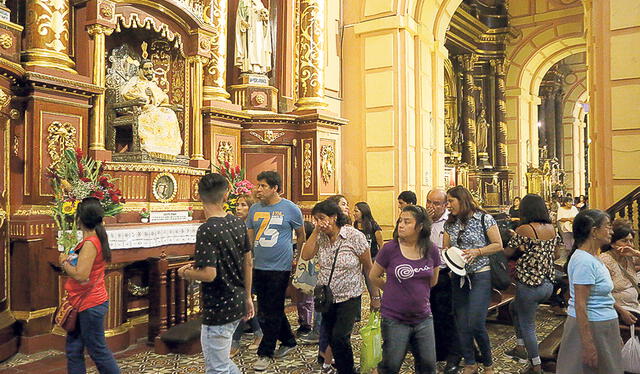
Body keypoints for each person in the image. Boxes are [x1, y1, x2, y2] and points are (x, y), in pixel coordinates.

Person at [176, 173, 254, 374]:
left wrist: (186, 272)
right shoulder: (237, 223)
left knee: (217, 367)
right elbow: (248, 263)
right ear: (226, 194)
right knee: (222, 364)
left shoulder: (207, 229)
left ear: (198, 195)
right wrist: (248, 296)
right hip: (236, 301)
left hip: (219, 306)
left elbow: (209, 274)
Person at [302, 200, 380, 374]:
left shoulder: (354, 236)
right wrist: (316, 230)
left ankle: (347, 370)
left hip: (349, 296)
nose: (319, 222)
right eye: (316, 219)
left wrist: (375, 297)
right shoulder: (320, 236)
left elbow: (368, 268)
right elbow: (306, 255)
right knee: (330, 336)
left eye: (322, 218)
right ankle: (337, 366)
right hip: (327, 297)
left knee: (340, 337)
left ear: (334, 217)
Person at [369, 205, 440, 374]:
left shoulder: (431, 249)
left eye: (407, 222)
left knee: (429, 365)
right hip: (395, 318)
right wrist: (393, 289)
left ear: (420, 226)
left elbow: (433, 281)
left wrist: (414, 291)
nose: (401, 225)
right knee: (391, 365)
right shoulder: (390, 249)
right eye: (400, 220)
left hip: (423, 317)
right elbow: (373, 276)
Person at [246, 171, 305, 371]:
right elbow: (250, 239)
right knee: (269, 309)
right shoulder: (254, 209)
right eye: (258, 185)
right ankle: (288, 340)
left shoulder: (291, 209)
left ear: (275, 188)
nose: (258, 189)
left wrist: (298, 258)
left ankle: (265, 351)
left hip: (280, 266)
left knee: (269, 311)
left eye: (263, 186)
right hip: (259, 266)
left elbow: (301, 235)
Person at [443, 185, 504, 374]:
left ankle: (488, 364)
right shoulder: (450, 224)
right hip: (459, 277)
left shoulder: (484, 218)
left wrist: (478, 251)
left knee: (476, 322)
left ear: (462, 200)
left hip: (480, 275)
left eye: (451, 201)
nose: (448, 206)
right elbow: (445, 248)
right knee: (461, 322)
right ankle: (470, 362)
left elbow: (498, 245)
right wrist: (451, 258)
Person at [556, 209, 623, 374]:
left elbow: (604, 296)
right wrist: (587, 343)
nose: (612, 231)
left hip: (602, 323)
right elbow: (580, 304)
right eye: (608, 226)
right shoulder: (584, 261)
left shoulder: (592, 257)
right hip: (593, 326)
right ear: (594, 231)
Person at [58, 197, 120, 374]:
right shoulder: (92, 239)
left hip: (90, 304)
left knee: (98, 351)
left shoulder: (91, 243)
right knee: (74, 349)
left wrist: (63, 262)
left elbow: (81, 274)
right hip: (81, 302)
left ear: (80, 219)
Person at [504, 194, 563, 374]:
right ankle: (520, 348)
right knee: (514, 308)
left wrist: (502, 242)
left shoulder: (524, 229)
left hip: (529, 285)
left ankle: (536, 365)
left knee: (528, 325)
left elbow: (508, 253)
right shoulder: (552, 228)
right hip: (547, 285)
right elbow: (556, 255)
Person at [425, 189, 462, 374]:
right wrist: (425, 222)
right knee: (428, 313)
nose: (431, 206)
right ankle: (434, 349)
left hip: (446, 273)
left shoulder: (451, 221)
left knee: (446, 314)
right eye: (429, 202)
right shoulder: (422, 220)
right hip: (424, 274)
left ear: (445, 204)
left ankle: (450, 353)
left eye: (436, 203)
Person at [120, 59, 182, 157]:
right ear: (140, 70)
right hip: (141, 110)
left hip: (153, 108)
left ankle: (166, 150)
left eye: (150, 68)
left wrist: (152, 96)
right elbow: (126, 94)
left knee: (170, 114)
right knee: (155, 114)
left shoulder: (153, 84)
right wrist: (146, 97)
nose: (149, 71)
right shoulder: (135, 83)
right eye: (146, 69)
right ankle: (150, 148)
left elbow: (163, 99)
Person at [230, 194, 263, 357]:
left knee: (243, 302)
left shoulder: (252, 227)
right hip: (237, 268)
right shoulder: (236, 224)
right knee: (244, 302)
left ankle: (234, 342)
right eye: (237, 204)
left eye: (243, 205)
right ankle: (258, 332)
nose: (238, 208)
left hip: (251, 268)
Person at [599, 220, 640, 324]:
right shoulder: (604, 260)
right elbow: (600, 293)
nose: (629, 244)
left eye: (631, 241)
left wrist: (636, 253)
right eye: (625, 241)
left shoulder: (629, 257)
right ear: (612, 243)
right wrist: (622, 312)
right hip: (617, 311)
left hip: (635, 306)